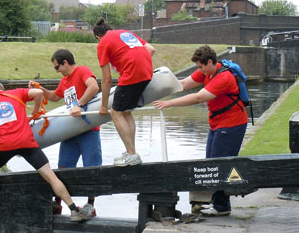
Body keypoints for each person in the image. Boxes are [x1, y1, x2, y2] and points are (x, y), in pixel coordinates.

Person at [0, 80, 92, 222]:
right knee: (51, 176)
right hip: (27, 142)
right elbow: (38, 92)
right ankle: (74, 210)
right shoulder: (16, 93)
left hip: (5, 144)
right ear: (2, 89)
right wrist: (35, 110)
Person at [153, 45, 248, 216]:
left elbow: (198, 97)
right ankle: (219, 204)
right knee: (210, 162)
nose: (199, 70)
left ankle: (221, 207)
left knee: (217, 164)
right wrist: (156, 90)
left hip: (232, 124)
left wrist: (169, 104)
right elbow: (182, 84)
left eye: (200, 67)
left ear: (210, 62)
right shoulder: (207, 72)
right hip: (218, 123)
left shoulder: (223, 77)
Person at [30, 49, 101, 217]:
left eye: (57, 67)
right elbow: (55, 96)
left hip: (88, 129)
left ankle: (91, 205)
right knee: (63, 167)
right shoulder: (64, 81)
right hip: (69, 131)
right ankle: (58, 203)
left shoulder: (82, 71)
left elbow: (94, 86)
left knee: (91, 167)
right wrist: (40, 89)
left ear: (65, 63)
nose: (57, 70)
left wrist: (80, 104)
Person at [93, 17, 155, 167]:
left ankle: (132, 154)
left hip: (132, 74)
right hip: (147, 72)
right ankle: (131, 152)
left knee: (116, 113)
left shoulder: (103, 42)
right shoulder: (125, 33)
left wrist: (103, 106)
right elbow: (151, 49)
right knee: (125, 112)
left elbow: (107, 78)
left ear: (97, 37)